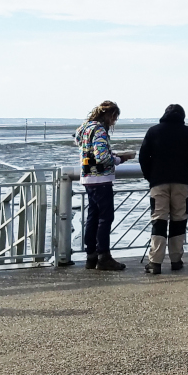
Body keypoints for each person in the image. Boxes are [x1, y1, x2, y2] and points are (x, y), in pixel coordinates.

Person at [138, 104, 188, 275]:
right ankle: (176, 259)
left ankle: (155, 262)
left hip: (158, 182)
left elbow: (143, 157)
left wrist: (150, 176)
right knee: (179, 220)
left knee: (159, 220)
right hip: (181, 182)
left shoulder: (153, 131)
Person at [74, 101, 128, 272]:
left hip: (88, 177)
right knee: (105, 218)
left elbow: (89, 153)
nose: (114, 122)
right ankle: (104, 256)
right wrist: (119, 159)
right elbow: (102, 157)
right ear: (109, 115)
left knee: (93, 216)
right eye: (114, 118)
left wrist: (111, 154)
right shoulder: (99, 130)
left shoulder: (84, 128)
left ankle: (91, 256)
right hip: (100, 179)